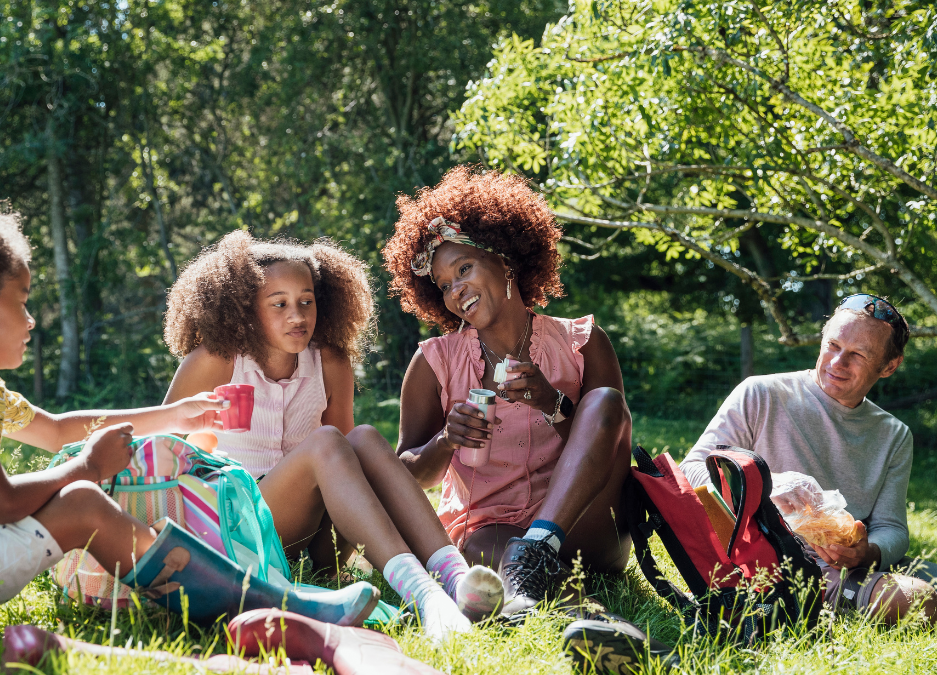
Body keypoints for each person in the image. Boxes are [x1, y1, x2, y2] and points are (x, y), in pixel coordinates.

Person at [0, 203, 384, 632]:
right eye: (22, 302)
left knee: (82, 502)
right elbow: (1, 503)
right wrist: (88, 467)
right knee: (82, 501)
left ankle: (241, 595)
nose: (32, 321)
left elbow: (54, 430)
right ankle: (259, 602)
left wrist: (173, 415)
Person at [162, 230, 503, 640]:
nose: (298, 315)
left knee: (360, 438)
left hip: (314, 538)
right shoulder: (216, 362)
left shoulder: (329, 362)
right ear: (246, 310)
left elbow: (348, 459)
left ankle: (455, 577)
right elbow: (161, 453)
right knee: (327, 442)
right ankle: (425, 595)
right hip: (236, 535)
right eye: (280, 304)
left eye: (307, 301)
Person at [384, 166, 634, 618]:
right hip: (493, 529)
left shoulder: (582, 342)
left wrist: (551, 402)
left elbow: (611, 444)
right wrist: (447, 440)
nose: (456, 291)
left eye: (464, 269)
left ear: (505, 261)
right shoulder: (433, 363)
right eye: (443, 286)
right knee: (484, 546)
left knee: (604, 402)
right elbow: (406, 473)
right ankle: (570, 606)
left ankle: (538, 553)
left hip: (586, 528)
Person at [681, 295, 937, 625]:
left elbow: (892, 528)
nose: (838, 362)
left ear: (889, 366)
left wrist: (867, 552)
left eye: (858, 354)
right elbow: (691, 471)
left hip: (847, 563)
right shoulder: (761, 393)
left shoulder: (894, 434)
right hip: (771, 559)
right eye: (833, 345)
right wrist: (762, 488)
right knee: (921, 602)